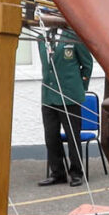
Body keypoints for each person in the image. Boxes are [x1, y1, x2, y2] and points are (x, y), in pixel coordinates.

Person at [39, 25, 93, 187]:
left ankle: (76, 173)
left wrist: (80, 88)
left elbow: (87, 64)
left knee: (72, 137)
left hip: (70, 97)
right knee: (51, 137)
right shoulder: (42, 38)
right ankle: (58, 173)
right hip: (49, 97)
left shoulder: (73, 36)